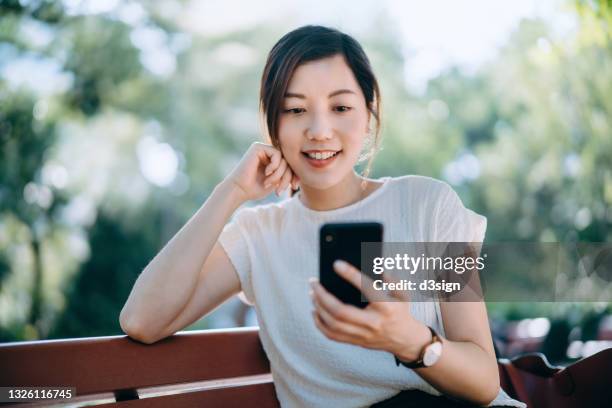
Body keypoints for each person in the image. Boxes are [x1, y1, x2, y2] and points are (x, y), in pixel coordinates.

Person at [119, 25, 526, 408]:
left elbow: (484, 380)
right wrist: (231, 192)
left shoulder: (431, 205)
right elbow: (142, 320)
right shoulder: (257, 236)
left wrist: (411, 341)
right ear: (273, 125)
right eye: (295, 110)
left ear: (368, 114)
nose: (319, 129)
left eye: (341, 106)